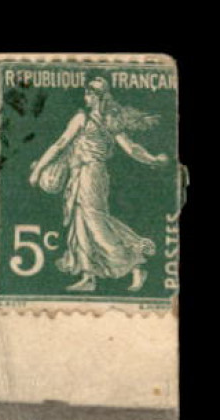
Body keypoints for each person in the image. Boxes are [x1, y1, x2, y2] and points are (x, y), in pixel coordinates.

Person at [28, 78, 171, 292]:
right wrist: (152, 159)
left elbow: (60, 145)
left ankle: (135, 262)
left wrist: (39, 169)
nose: (85, 96)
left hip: (91, 174)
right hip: (82, 174)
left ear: (97, 96)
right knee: (81, 222)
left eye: (89, 93)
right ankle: (88, 276)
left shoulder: (87, 118)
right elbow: (131, 148)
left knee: (94, 222)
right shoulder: (103, 120)